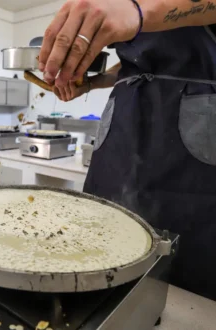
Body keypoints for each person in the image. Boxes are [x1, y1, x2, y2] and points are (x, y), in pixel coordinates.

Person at [39, 0, 216, 301]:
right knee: (101, 233)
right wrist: (93, 83)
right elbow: (144, 59)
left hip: (191, 123)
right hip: (124, 118)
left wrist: (138, 12)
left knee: (184, 265)